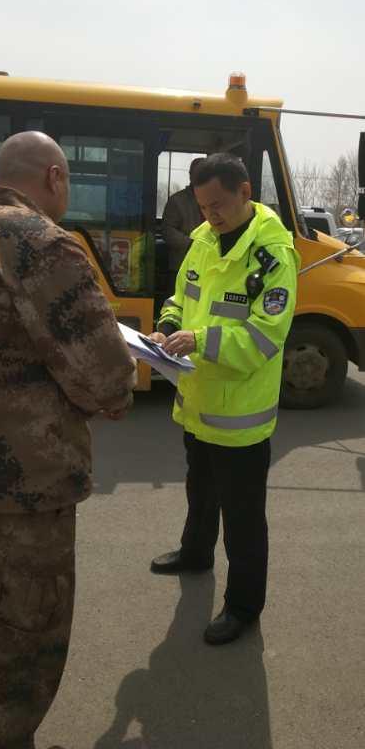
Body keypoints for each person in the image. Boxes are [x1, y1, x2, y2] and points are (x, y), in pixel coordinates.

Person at [0, 132, 137, 749]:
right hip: (23, 489)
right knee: (23, 640)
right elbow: (105, 374)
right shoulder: (42, 245)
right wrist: (116, 395)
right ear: (55, 176)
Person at [149, 153, 299, 645]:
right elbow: (181, 297)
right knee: (201, 494)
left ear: (245, 191)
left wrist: (198, 339)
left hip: (240, 418)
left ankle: (243, 607)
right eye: (203, 206)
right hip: (198, 403)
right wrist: (170, 324)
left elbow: (263, 338)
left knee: (243, 521)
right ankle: (195, 554)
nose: (210, 215)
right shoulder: (204, 241)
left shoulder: (272, 256)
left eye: (218, 205)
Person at [161, 157, 204, 291]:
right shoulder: (177, 201)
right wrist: (191, 244)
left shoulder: (217, 200)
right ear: (190, 175)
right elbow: (167, 230)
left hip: (208, 267)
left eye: (205, 174)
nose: (201, 178)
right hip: (181, 266)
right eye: (197, 174)